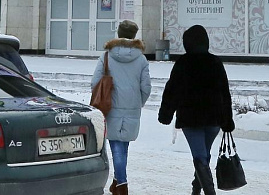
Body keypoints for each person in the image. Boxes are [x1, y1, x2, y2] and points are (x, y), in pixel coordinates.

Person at [159, 25, 234, 195]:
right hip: (214, 118)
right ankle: (196, 189)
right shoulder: (215, 62)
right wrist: (227, 119)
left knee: (201, 156)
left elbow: (172, 90)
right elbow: (225, 93)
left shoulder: (183, 63)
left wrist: (166, 114)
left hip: (190, 118)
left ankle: (207, 192)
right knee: (203, 155)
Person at [91, 20, 150, 195]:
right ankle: (117, 182)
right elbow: (146, 87)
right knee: (123, 147)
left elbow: (95, 82)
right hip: (132, 107)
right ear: (134, 35)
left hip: (111, 106)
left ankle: (121, 184)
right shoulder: (141, 59)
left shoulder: (107, 56)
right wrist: (138, 102)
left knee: (116, 147)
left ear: (118, 33)